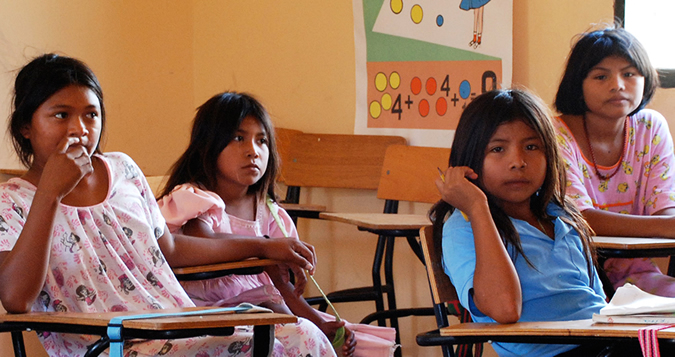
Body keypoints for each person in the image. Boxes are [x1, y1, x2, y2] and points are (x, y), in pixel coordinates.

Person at [0, 53, 336, 357]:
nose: (81, 130)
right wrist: (49, 194)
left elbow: (171, 248)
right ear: (26, 127)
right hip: (110, 344)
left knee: (303, 335)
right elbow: (16, 298)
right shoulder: (11, 201)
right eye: (61, 115)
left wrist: (265, 246)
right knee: (254, 350)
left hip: (175, 322)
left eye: (91, 115)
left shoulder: (122, 169)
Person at [157, 91, 398, 357]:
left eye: (262, 141)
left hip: (262, 311)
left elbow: (284, 289)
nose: (253, 151)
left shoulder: (273, 216)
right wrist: (266, 248)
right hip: (204, 311)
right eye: (239, 138)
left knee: (307, 334)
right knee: (283, 338)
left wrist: (321, 324)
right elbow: (202, 242)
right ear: (208, 145)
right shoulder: (195, 198)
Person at [429, 89, 642, 356]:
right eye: (497, 149)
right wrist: (476, 207)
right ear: (470, 160)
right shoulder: (463, 227)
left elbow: (596, 304)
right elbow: (505, 309)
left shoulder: (562, 215)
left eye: (531, 147)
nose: (518, 162)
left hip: (606, 343)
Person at [553, 25, 675, 297]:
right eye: (600, 76)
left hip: (638, 276)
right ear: (577, 83)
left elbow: (664, 208)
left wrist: (667, 224)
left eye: (629, 74)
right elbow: (580, 219)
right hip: (572, 277)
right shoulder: (555, 134)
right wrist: (666, 226)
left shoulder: (651, 127)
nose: (618, 85)